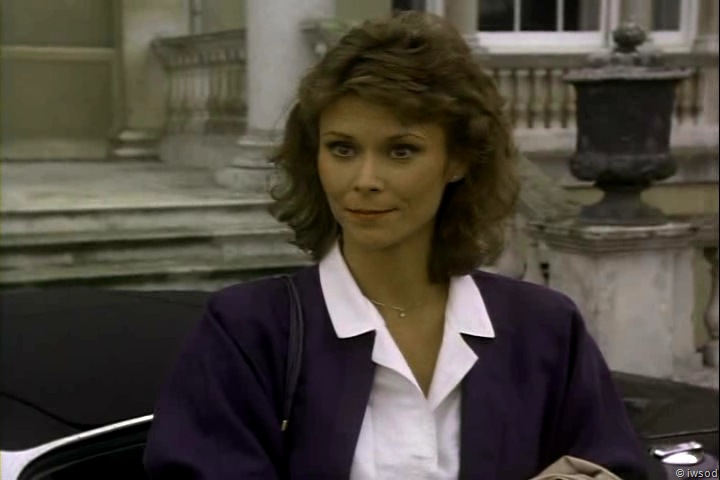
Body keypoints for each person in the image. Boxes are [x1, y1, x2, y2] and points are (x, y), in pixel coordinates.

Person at [144, 11, 649, 480]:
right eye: (342, 149)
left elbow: (615, 466)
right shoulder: (248, 333)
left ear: (458, 160)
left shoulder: (544, 329)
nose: (365, 180)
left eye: (401, 151)